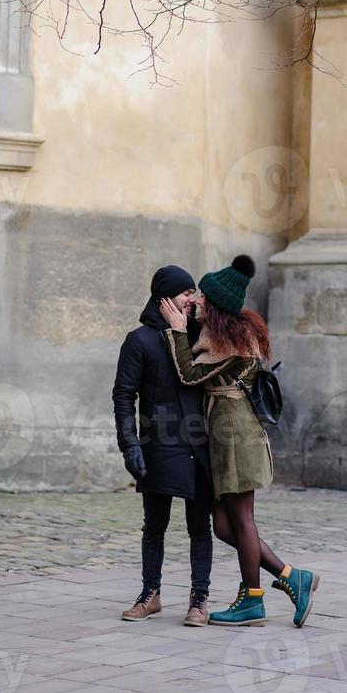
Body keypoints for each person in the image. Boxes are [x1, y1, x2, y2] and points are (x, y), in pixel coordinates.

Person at [160, 254, 320, 628]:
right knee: (224, 526)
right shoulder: (223, 334)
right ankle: (292, 577)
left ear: (215, 308)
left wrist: (177, 328)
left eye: (202, 297)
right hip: (225, 434)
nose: (196, 300)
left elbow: (187, 373)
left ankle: (252, 600)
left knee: (242, 521)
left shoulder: (229, 343)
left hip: (236, 436)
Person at [112, 265, 213, 626]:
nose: (192, 299)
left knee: (200, 527)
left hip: (200, 446)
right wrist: (130, 446)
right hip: (158, 445)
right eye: (186, 292)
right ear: (165, 298)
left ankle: (198, 600)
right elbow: (123, 395)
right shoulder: (139, 340)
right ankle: (149, 594)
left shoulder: (201, 337)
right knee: (154, 525)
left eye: (193, 292)